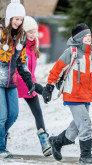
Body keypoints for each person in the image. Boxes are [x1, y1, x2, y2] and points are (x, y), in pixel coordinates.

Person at [42, 23, 92, 164]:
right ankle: (85, 155)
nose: (89, 38)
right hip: (73, 94)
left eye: (90, 36)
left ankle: (56, 142)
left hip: (87, 95)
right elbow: (56, 70)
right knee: (85, 124)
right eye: (86, 36)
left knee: (76, 129)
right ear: (78, 38)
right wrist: (49, 87)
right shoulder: (70, 52)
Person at [0, 0, 37, 159]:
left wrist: (29, 81)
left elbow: (22, 63)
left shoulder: (21, 37)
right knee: (1, 116)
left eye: (21, 19)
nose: (18, 22)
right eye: (15, 18)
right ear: (9, 18)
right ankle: (1, 148)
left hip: (12, 81)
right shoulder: (0, 33)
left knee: (13, 115)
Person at [15, 16, 51, 157]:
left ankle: (44, 143)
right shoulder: (20, 47)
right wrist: (37, 87)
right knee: (11, 115)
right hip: (17, 83)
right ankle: (3, 139)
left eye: (34, 31)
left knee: (38, 113)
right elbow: (19, 70)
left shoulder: (33, 46)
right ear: (23, 32)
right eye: (29, 31)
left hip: (30, 83)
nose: (33, 34)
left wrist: (37, 86)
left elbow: (31, 72)